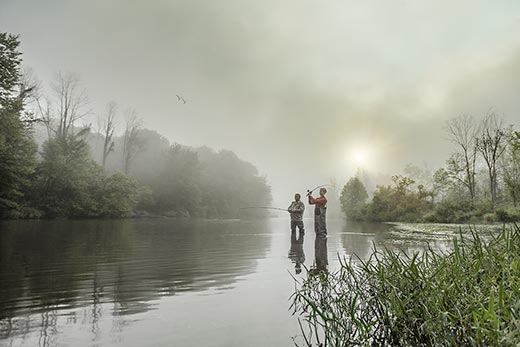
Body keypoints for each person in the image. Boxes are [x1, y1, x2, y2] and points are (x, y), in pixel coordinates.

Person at [308, 187, 328, 273]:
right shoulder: (318, 198)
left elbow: (316, 202)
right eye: (320, 191)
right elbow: (311, 202)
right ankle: (319, 237)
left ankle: (322, 237)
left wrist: (310, 195)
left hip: (321, 215)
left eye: (322, 191)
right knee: (317, 227)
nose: (321, 192)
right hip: (317, 214)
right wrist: (310, 196)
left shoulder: (324, 199)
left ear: (324, 192)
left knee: (321, 226)